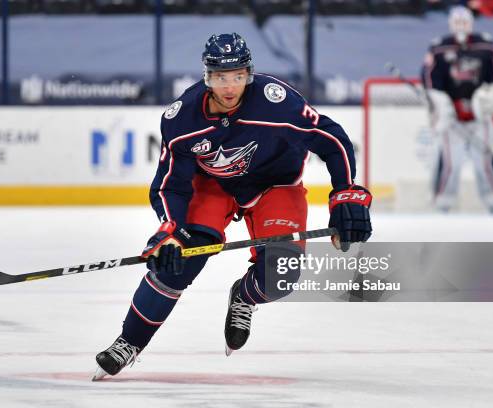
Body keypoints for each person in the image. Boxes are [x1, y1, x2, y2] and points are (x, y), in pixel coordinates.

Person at [93, 33, 372, 380]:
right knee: (178, 263)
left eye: (238, 76)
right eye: (221, 77)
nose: (230, 86)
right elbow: (171, 185)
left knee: (280, 274)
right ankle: (129, 341)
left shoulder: (278, 102)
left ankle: (244, 297)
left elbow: (332, 140)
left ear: (249, 74)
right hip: (214, 187)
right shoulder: (181, 120)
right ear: (207, 77)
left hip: (276, 186)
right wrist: (170, 229)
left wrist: (345, 191)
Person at [421, 6, 493, 212]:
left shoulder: (486, 45)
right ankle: (442, 201)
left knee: (484, 160)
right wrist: (438, 102)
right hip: (452, 118)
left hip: (480, 117)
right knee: (451, 163)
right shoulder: (439, 48)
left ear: (471, 23)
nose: (461, 26)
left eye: (464, 22)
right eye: (457, 22)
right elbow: (429, 78)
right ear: (450, 24)